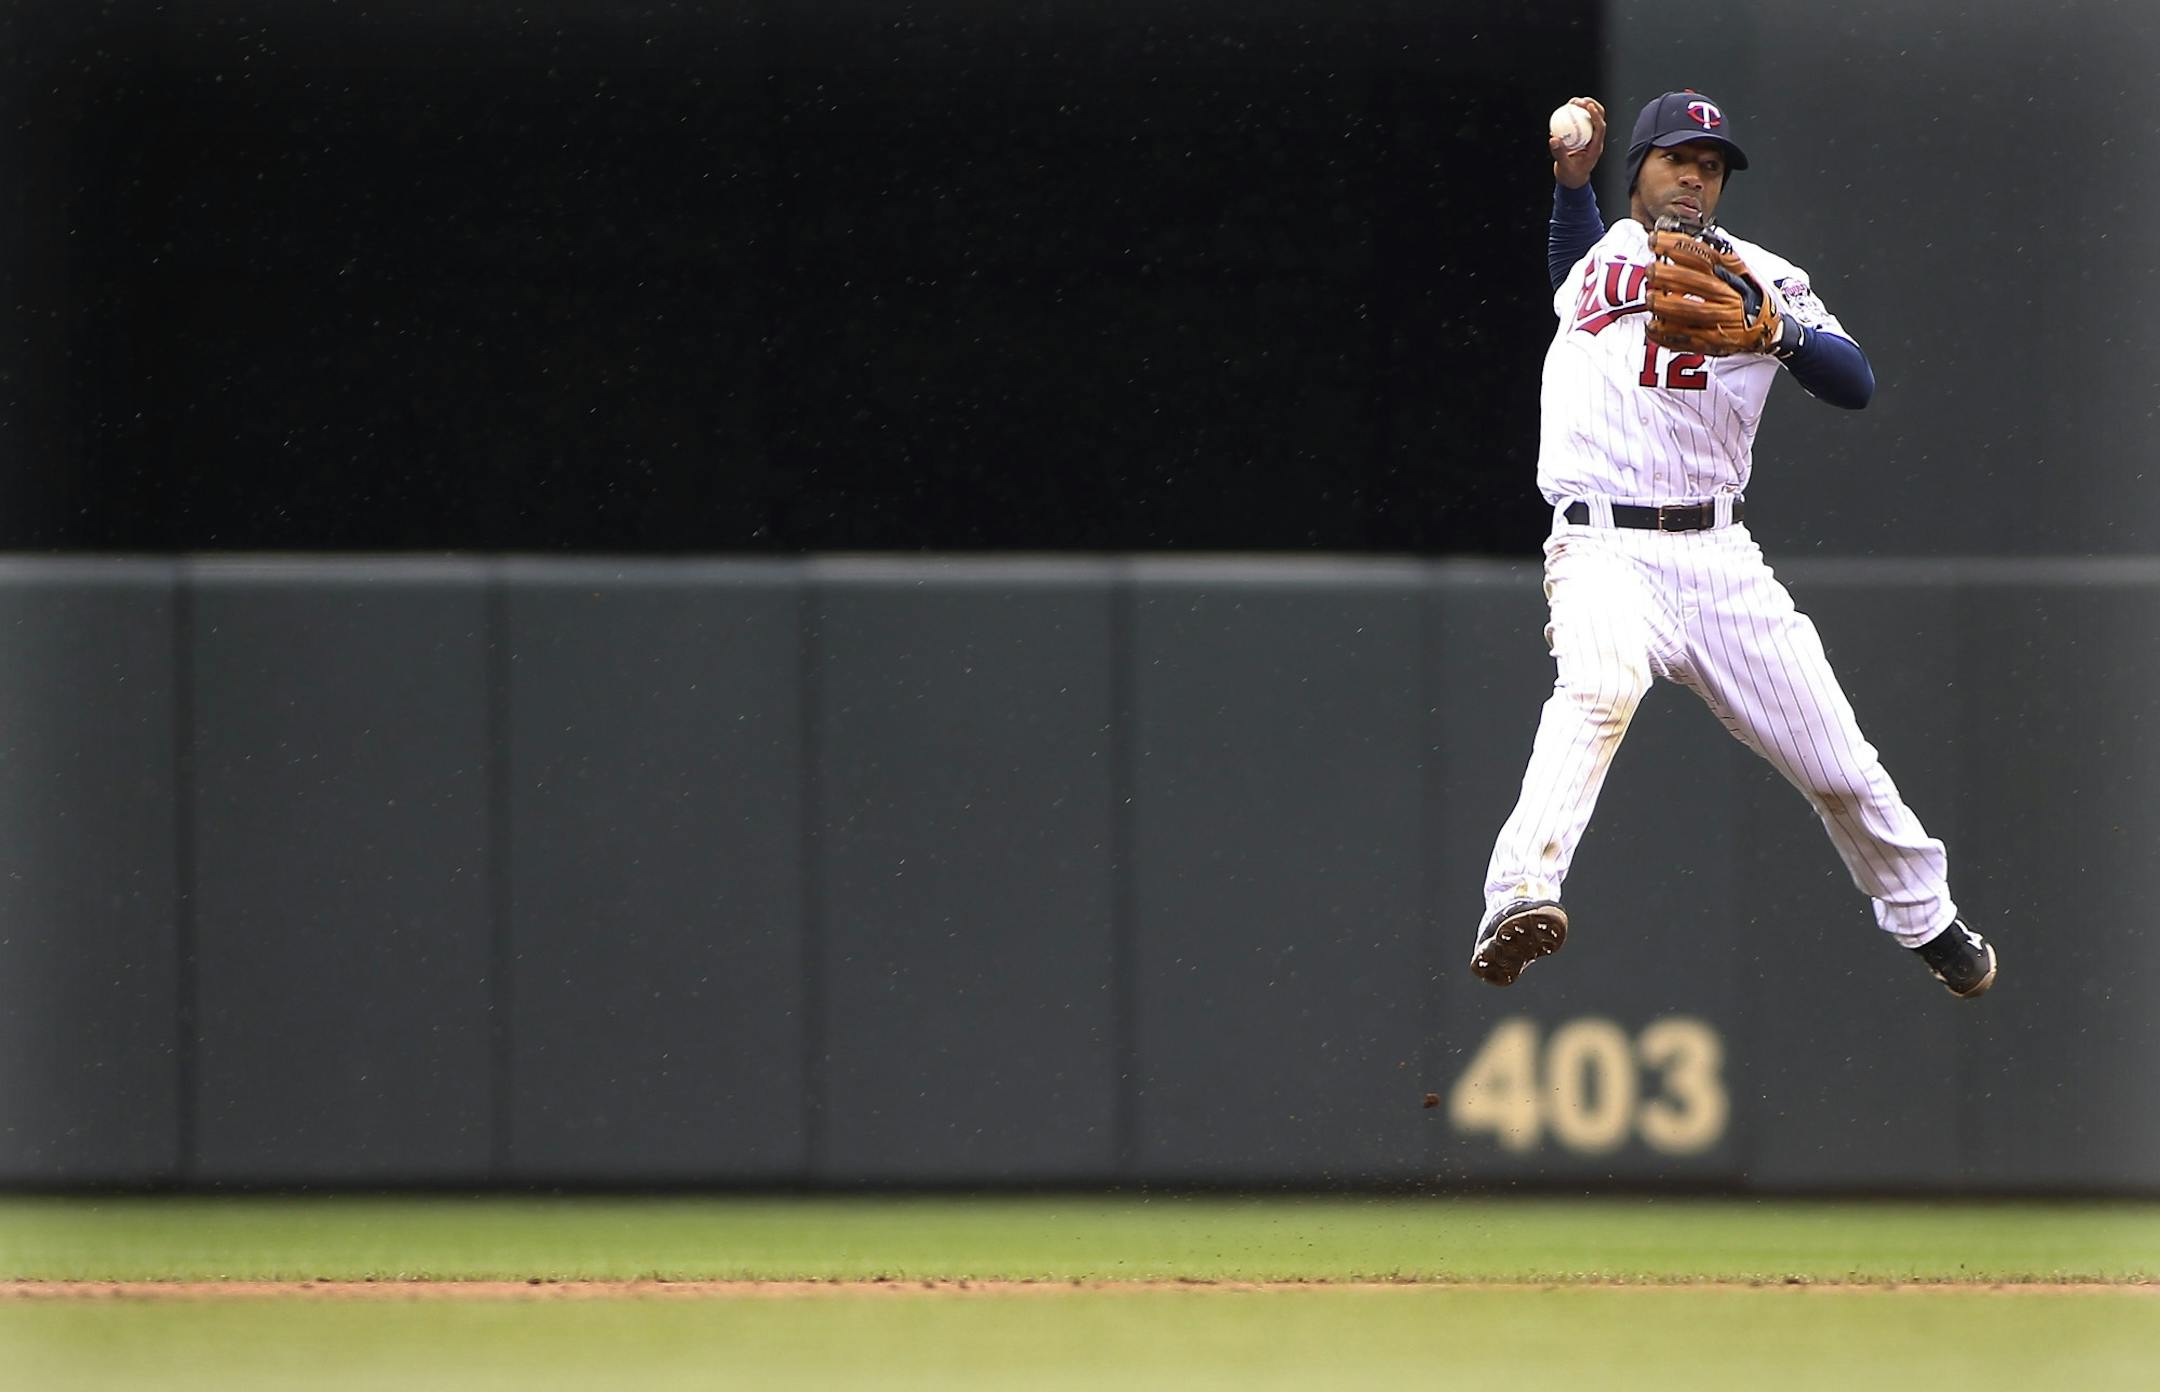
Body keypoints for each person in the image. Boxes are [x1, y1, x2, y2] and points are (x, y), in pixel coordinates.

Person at [1468, 90, 1998, 999]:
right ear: (1638, 169)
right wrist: (1570, 183)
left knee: (1839, 766)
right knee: (1600, 687)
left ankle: (1928, 918)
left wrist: (1781, 334)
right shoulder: (1602, 252)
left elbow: (1855, 382)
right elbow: (1571, 266)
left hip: (1717, 559)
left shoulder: (1765, 275)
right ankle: (1518, 895)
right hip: (1600, 549)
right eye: (1676, 159)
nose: (1694, 178)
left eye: (1710, 167)